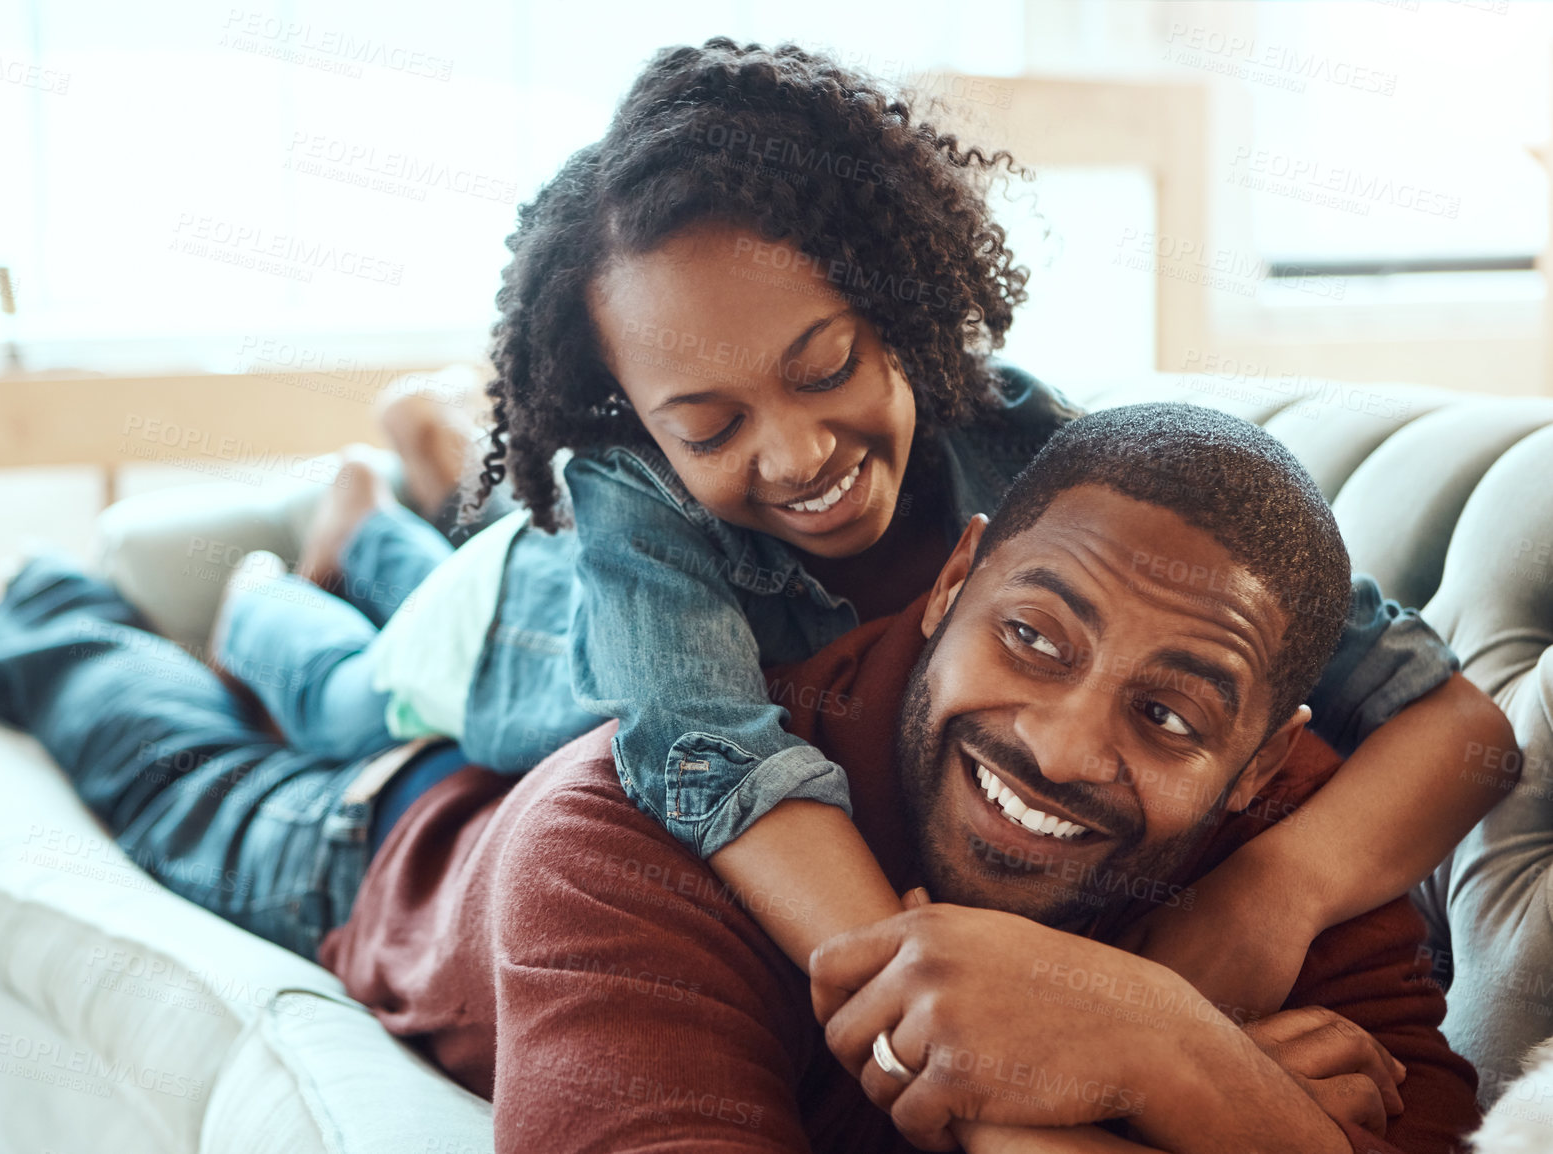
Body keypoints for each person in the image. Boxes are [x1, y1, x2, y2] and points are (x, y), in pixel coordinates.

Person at [204, 36, 1516, 1021]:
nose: (797, 453)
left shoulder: (1039, 454)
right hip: (519, 643)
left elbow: (1459, 729)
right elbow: (723, 770)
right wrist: (1024, 1021)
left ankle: (406, 476)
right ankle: (311, 554)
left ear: (899, 303)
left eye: (827, 364)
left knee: (438, 552)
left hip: (546, 565)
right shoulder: (632, 496)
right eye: (711, 427)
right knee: (341, 679)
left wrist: (1271, 890)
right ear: (646, 428)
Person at [0, 404, 1484, 1152]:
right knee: (160, 723)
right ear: (950, 583)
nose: (1067, 746)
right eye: (1034, 634)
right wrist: (1222, 1090)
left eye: (1169, 717)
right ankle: (92, 598)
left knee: (401, 637)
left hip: (496, 712)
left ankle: (377, 539)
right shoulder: (628, 827)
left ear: (1267, 758)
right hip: (396, 843)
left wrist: (1159, 1049)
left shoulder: (1291, 850)